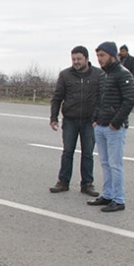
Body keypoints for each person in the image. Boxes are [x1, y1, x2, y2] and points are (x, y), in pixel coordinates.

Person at [49, 46, 104, 197]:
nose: (76, 62)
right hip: (70, 120)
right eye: (73, 59)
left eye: (79, 59)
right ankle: (63, 181)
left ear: (86, 59)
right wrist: (54, 117)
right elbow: (57, 97)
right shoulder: (65, 75)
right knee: (67, 152)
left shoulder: (98, 75)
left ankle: (87, 184)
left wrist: (97, 118)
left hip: (89, 121)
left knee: (87, 153)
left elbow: (102, 98)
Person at [87, 42, 134, 212]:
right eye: (98, 56)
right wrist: (95, 119)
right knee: (105, 163)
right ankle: (108, 195)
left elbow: (129, 100)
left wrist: (116, 122)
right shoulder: (104, 75)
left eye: (102, 55)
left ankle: (119, 199)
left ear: (112, 55)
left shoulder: (123, 74)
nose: (99, 59)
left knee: (115, 165)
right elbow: (99, 100)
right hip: (100, 126)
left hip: (115, 128)